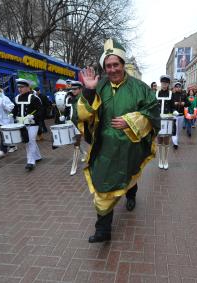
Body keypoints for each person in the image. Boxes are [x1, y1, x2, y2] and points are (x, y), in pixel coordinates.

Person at [77, 39, 160, 243]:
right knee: (104, 185)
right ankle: (103, 231)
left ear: (123, 65)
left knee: (129, 174)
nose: (112, 69)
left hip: (131, 145)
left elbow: (152, 112)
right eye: (108, 66)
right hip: (104, 147)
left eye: (116, 64)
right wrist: (88, 91)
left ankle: (131, 195)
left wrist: (130, 121)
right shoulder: (98, 85)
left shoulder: (140, 88)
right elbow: (81, 115)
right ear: (104, 67)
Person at [55, 80, 87, 175]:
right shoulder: (69, 98)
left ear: (81, 89)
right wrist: (64, 116)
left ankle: (74, 166)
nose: (73, 91)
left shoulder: (84, 98)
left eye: (75, 89)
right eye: (72, 89)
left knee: (77, 143)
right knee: (75, 142)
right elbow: (67, 109)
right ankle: (84, 154)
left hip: (82, 124)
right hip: (71, 123)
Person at [13, 79, 43, 171]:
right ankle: (37, 156)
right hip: (21, 124)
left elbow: (41, 111)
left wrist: (33, 116)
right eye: (19, 87)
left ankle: (30, 161)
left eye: (22, 87)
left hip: (33, 123)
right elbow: (15, 110)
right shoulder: (17, 98)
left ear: (28, 88)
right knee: (31, 141)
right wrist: (11, 114)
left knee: (29, 140)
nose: (20, 89)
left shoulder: (34, 98)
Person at [156, 75, 174, 169]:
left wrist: (174, 111)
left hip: (167, 120)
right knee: (159, 140)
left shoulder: (171, 94)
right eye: (163, 83)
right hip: (158, 119)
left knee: (166, 140)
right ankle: (160, 159)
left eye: (166, 83)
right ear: (161, 83)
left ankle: (166, 159)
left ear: (168, 84)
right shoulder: (156, 93)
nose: (164, 84)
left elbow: (173, 106)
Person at [170, 82, 185, 149]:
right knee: (175, 129)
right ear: (174, 88)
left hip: (181, 115)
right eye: (177, 87)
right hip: (174, 115)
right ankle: (175, 143)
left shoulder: (183, 95)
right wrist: (174, 104)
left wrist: (183, 103)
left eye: (179, 87)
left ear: (181, 88)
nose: (178, 88)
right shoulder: (172, 95)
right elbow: (169, 105)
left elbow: (188, 103)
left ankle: (175, 139)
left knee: (179, 130)